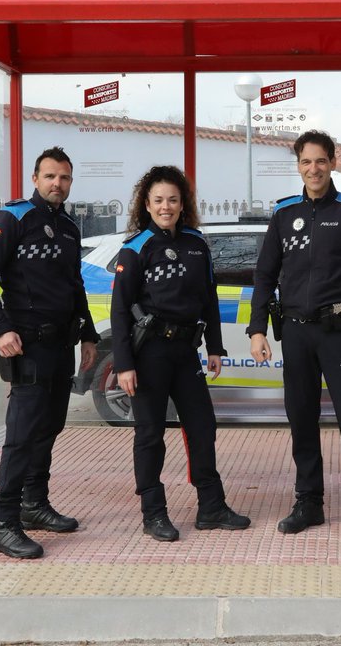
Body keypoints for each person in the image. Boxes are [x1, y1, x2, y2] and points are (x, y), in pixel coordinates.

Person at [248, 130, 341, 546]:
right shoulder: (283, 212)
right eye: (306, 162)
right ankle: (309, 502)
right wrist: (257, 328)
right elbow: (264, 274)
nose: (314, 169)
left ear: (332, 162)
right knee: (301, 419)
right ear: (298, 165)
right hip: (295, 332)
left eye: (321, 161)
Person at [111, 165, 251, 542]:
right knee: (150, 435)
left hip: (186, 352)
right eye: (158, 200)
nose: (166, 206)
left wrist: (216, 348)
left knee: (203, 428)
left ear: (182, 203)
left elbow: (209, 299)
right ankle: (153, 512)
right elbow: (120, 311)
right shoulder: (136, 248)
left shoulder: (196, 244)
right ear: (146, 203)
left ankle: (211, 507)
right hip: (149, 355)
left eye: (173, 199)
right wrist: (123, 365)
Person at [0, 146, 100, 560]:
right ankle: (3, 524)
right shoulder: (12, 218)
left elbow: (74, 285)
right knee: (21, 436)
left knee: (49, 427)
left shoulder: (67, 226)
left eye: (64, 177)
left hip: (60, 344)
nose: (57, 184)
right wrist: (0, 328)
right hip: (24, 343)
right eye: (50, 176)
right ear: (35, 178)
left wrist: (88, 335)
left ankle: (33, 504)